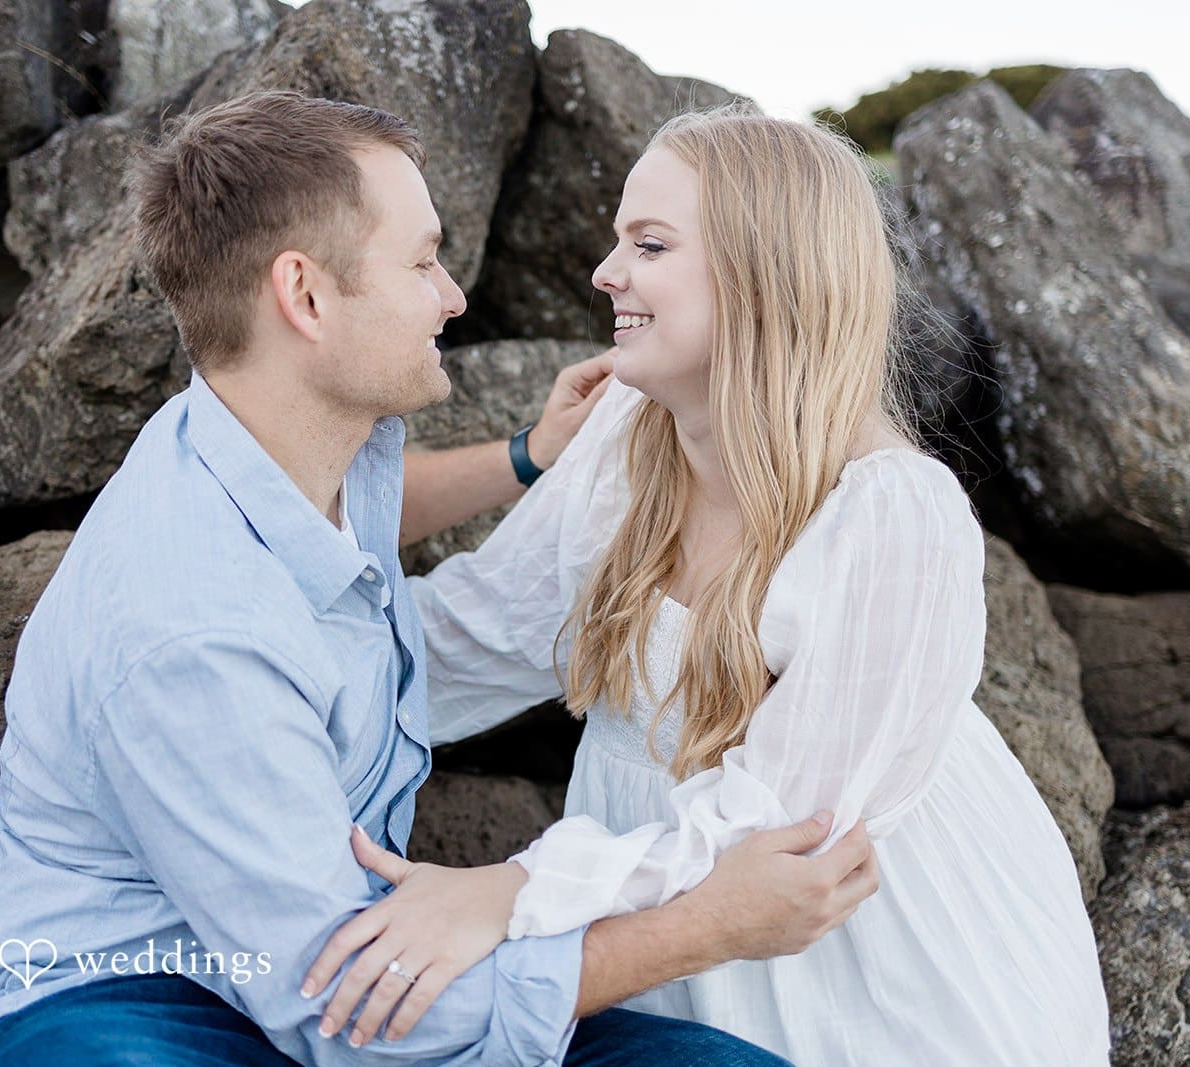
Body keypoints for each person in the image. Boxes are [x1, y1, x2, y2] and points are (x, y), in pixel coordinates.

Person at [0, 90, 883, 1067]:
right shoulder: (190, 628)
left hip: (326, 957)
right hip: (128, 997)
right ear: (305, 296)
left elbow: (361, 519)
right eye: (421, 262)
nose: (453, 295)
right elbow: (347, 1011)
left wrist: (526, 454)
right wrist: (707, 925)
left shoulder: (282, 437)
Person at [306, 104, 1113, 1065]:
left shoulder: (895, 513)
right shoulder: (627, 430)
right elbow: (472, 635)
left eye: (649, 244)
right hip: (657, 934)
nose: (606, 273)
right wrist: (271, 683)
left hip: (877, 970)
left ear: (765, 274)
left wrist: (507, 893)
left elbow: (781, 827)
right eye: (619, 240)